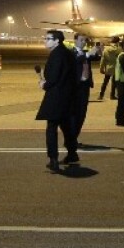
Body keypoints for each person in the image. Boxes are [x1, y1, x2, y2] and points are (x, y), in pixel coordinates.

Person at [37, 29, 78, 171]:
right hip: (68, 96)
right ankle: (72, 153)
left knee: (51, 128)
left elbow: (53, 77)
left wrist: (44, 84)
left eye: (48, 38)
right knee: (66, 127)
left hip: (57, 96)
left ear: (56, 40)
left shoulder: (56, 55)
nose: (45, 41)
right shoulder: (68, 53)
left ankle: (53, 158)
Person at [69, 33, 95, 144]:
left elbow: (96, 57)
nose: (84, 42)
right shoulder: (70, 53)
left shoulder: (84, 53)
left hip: (85, 87)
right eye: (81, 40)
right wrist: (88, 54)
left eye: (85, 40)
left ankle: (74, 138)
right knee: (74, 114)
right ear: (75, 40)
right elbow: (76, 61)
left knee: (82, 114)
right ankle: (71, 139)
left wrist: (98, 50)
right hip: (75, 88)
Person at [98, 35, 121, 100]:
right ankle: (112, 95)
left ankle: (101, 95)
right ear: (117, 42)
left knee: (105, 82)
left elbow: (103, 59)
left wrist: (101, 68)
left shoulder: (106, 49)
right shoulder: (119, 49)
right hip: (116, 68)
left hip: (108, 67)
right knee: (114, 83)